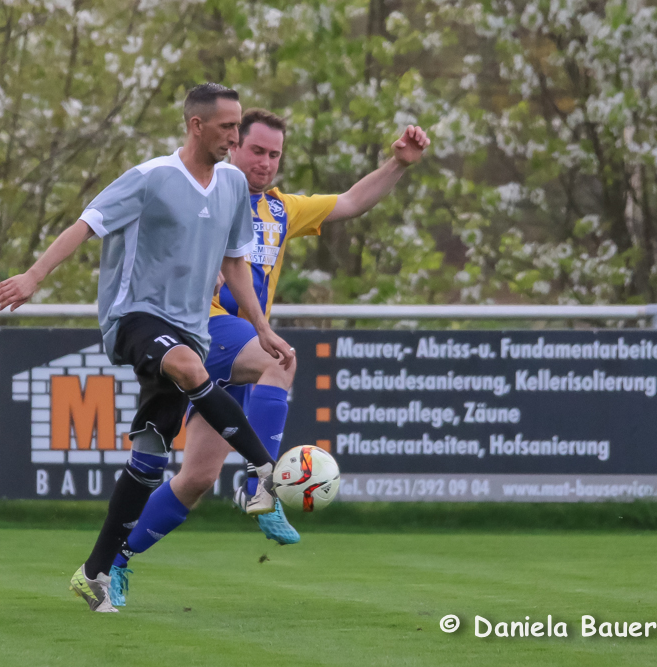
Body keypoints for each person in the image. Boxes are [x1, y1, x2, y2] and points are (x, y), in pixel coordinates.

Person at [107, 108, 430, 606]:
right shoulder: (207, 196)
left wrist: (399, 165)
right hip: (205, 331)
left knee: (194, 480)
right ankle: (266, 484)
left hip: (235, 353)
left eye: (274, 154)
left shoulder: (281, 209)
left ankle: (113, 563)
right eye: (256, 150)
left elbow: (349, 202)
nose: (265, 162)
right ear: (232, 147)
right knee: (280, 360)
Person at [0, 85, 295, 613]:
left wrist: (262, 327)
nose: (234, 135)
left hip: (191, 327)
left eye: (237, 124)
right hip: (133, 318)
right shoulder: (151, 177)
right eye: (226, 126)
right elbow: (85, 225)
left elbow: (233, 263)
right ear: (196, 126)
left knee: (150, 459)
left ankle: (95, 572)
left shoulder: (229, 184)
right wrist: (34, 275)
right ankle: (262, 471)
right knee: (186, 365)